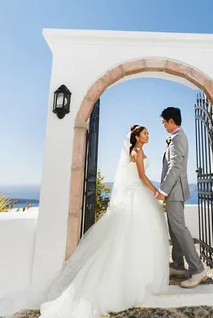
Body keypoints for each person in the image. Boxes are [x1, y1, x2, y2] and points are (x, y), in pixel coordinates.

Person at [40, 125, 169, 318]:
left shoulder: (132, 152)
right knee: (140, 237)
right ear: (136, 136)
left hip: (131, 195)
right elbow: (142, 176)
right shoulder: (138, 152)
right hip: (137, 196)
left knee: (126, 238)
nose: (147, 136)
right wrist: (156, 192)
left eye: (148, 133)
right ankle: (135, 281)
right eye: (145, 133)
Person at [156, 107, 208, 288]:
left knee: (180, 229)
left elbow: (175, 167)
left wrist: (163, 190)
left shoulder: (178, 138)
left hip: (174, 191)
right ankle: (178, 266)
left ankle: (198, 269)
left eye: (163, 122)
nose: (163, 125)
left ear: (171, 121)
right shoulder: (175, 138)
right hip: (174, 191)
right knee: (173, 229)